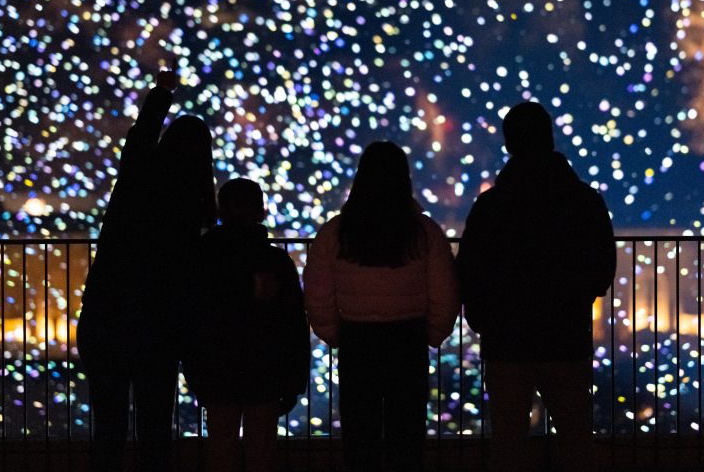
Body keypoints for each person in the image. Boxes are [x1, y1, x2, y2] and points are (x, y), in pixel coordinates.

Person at [455, 101, 616, 472]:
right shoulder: (584, 201)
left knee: (508, 443)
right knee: (576, 441)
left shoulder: (491, 206)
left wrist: (483, 319)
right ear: (550, 138)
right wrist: (577, 300)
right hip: (566, 338)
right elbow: (602, 266)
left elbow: (470, 271)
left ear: (509, 144)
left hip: (507, 342)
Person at [78, 70, 215, 472]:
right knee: (155, 431)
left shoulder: (136, 179)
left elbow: (140, 137)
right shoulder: (194, 211)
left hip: (105, 319)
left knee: (109, 429)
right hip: (157, 330)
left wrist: (162, 92)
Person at [303, 141, 460, 472]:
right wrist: (433, 334)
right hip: (408, 337)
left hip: (357, 339)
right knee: (407, 432)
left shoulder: (335, 232)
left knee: (360, 434)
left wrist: (333, 333)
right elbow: (445, 290)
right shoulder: (425, 232)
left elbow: (317, 292)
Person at [183, 178, 310, 472]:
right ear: (261, 212)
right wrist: (293, 381)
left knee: (221, 449)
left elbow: (191, 317)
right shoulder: (276, 262)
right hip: (265, 369)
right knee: (261, 451)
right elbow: (292, 322)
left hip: (216, 369)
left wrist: (194, 370)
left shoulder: (201, 257)